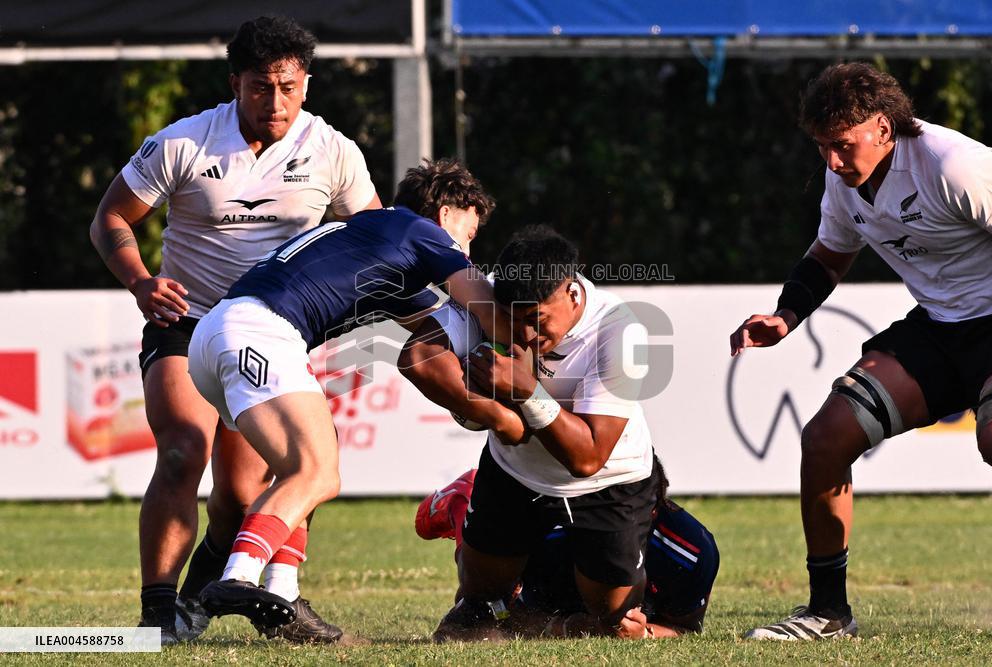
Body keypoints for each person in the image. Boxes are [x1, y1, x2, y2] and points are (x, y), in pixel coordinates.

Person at [89, 15, 382, 643]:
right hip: (186, 322)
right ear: (235, 84)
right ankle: (157, 613)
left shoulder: (334, 151)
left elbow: (371, 239)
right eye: (259, 87)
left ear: (306, 84)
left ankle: (204, 597)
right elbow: (111, 217)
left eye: (288, 87)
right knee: (181, 451)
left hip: (270, 332)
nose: (275, 102)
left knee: (244, 494)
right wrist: (141, 282)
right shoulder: (184, 142)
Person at [730, 62, 992, 641]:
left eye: (841, 145)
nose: (831, 161)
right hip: (939, 330)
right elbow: (829, 255)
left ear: (882, 126)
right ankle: (828, 614)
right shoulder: (846, 179)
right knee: (825, 438)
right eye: (822, 146)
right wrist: (785, 317)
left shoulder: (954, 165)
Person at [189, 159, 501, 639]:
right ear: (445, 214)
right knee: (317, 472)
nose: (468, 246)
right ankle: (238, 577)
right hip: (261, 331)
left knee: (305, 467)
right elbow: (484, 305)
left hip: (218, 334)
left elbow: (434, 330)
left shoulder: (381, 238)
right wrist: (522, 364)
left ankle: (282, 594)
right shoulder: (420, 231)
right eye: (469, 231)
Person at [397, 225, 660, 641]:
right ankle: (471, 516)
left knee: (613, 620)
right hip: (515, 472)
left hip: (609, 481)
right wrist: (499, 417)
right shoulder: (489, 296)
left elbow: (587, 458)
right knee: (475, 610)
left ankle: (539, 598)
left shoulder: (620, 331)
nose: (525, 336)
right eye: (513, 320)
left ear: (572, 293)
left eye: (537, 321)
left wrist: (527, 392)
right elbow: (418, 358)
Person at [415, 461, 719, 639]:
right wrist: (565, 626)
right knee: (480, 609)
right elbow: (504, 610)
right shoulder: (551, 529)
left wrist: (645, 633)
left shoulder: (692, 551)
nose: (607, 519)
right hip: (539, 579)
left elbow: (686, 630)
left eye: (620, 511)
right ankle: (464, 502)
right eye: (602, 507)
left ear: (655, 508)